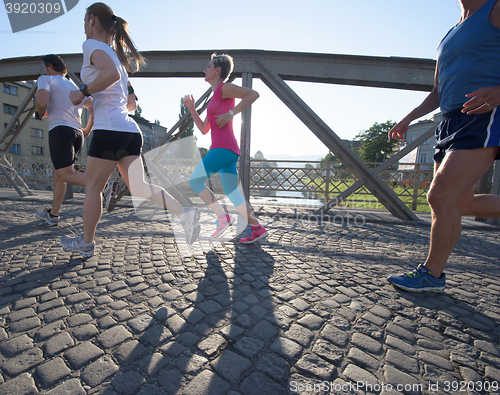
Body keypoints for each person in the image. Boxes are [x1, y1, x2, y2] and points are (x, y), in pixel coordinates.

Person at [60, 2, 199, 257]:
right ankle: (185, 213)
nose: (83, 29)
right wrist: (91, 100)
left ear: (92, 20)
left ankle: (86, 243)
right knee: (139, 187)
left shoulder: (91, 46)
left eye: (83, 23)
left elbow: (110, 75)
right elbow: (123, 99)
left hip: (109, 130)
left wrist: (82, 92)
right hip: (129, 130)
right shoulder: (116, 56)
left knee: (93, 188)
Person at [387, 0, 500, 292]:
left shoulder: (495, 8)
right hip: (449, 121)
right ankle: (433, 275)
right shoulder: (449, 33)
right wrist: (408, 118)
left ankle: (432, 275)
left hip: (483, 115)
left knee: (439, 196)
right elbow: (438, 91)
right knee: (462, 203)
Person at [183, 53, 268, 244]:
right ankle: (257, 228)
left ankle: (223, 218)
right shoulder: (214, 97)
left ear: (218, 70)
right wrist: (192, 108)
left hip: (222, 148)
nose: (205, 69)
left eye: (209, 66)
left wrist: (231, 113)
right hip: (227, 150)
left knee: (195, 181)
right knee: (232, 193)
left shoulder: (224, 88)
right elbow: (205, 129)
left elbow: (253, 94)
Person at [34, 54, 94, 226]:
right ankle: (53, 215)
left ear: (50, 66)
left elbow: (41, 101)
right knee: (58, 175)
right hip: (77, 134)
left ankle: (105, 187)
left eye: (45, 67)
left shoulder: (46, 79)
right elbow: (93, 107)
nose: (44, 70)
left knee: (65, 174)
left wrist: (41, 112)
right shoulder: (73, 85)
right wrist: (87, 129)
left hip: (60, 131)